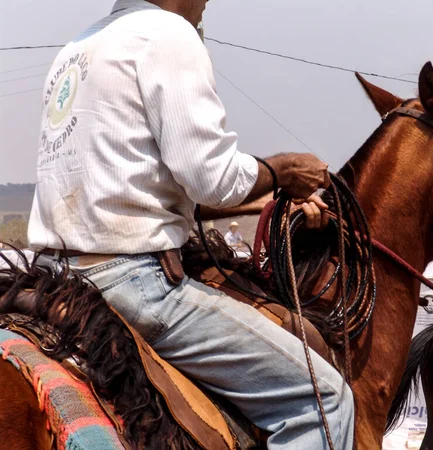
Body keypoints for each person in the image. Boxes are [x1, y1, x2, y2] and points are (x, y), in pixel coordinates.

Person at [27, 1, 354, 448]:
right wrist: (285, 170)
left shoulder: (75, 52)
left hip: (54, 278)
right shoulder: (167, 34)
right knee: (324, 401)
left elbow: (141, 185)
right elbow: (212, 178)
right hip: (134, 283)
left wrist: (271, 196)